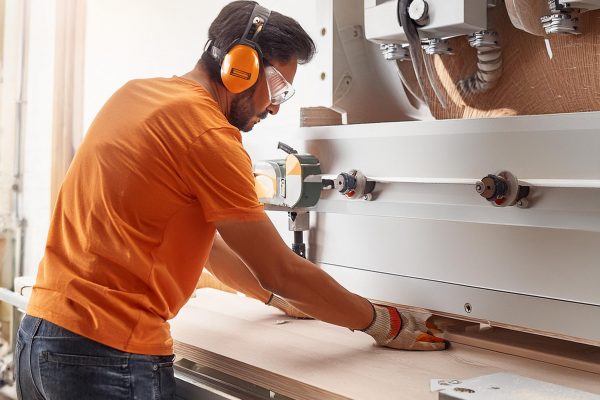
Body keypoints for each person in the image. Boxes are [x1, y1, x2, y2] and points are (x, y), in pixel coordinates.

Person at [15, 1, 447, 399]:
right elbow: (280, 270)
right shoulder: (209, 135)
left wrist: (276, 301)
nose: (275, 108)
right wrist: (382, 322)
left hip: (41, 339)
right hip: (108, 355)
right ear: (239, 66)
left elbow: (213, 251)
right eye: (276, 88)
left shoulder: (137, 94)